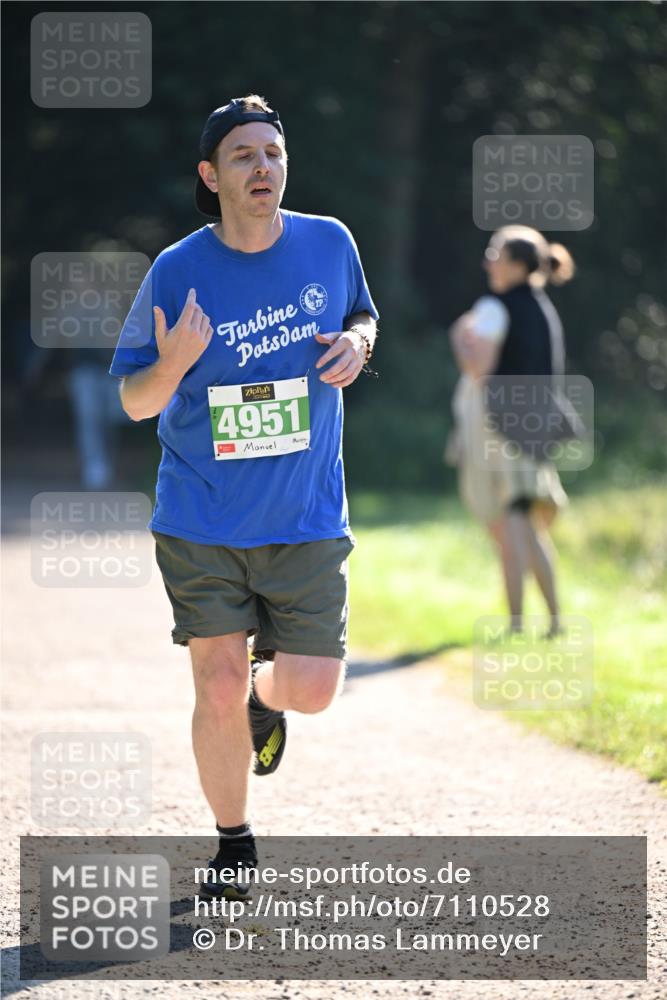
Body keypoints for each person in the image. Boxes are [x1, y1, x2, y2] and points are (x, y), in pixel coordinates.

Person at [109, 95, 378, 896]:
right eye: (243, 156)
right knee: (214, 681)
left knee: (312, 689)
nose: (262, 167)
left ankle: (268, 702)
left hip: (304, 514)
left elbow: (361, 315)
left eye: (272, 152)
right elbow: (134, 401)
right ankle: (233, 844)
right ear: (210, 174)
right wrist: (175, 359)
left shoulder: (329, 242)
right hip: (201, 514)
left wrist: (357, 346)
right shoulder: (178, 270)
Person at [448, 225, 575, 637]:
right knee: (523, 524)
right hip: (532, 428)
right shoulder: (542, 306)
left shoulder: (496, 307)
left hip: (504, 431)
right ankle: (550, 621)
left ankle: (519, 623)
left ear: (517, 266)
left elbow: (477, 368)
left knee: (512, 524)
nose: (488, 261)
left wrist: (457, 337)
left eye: (495, 253)